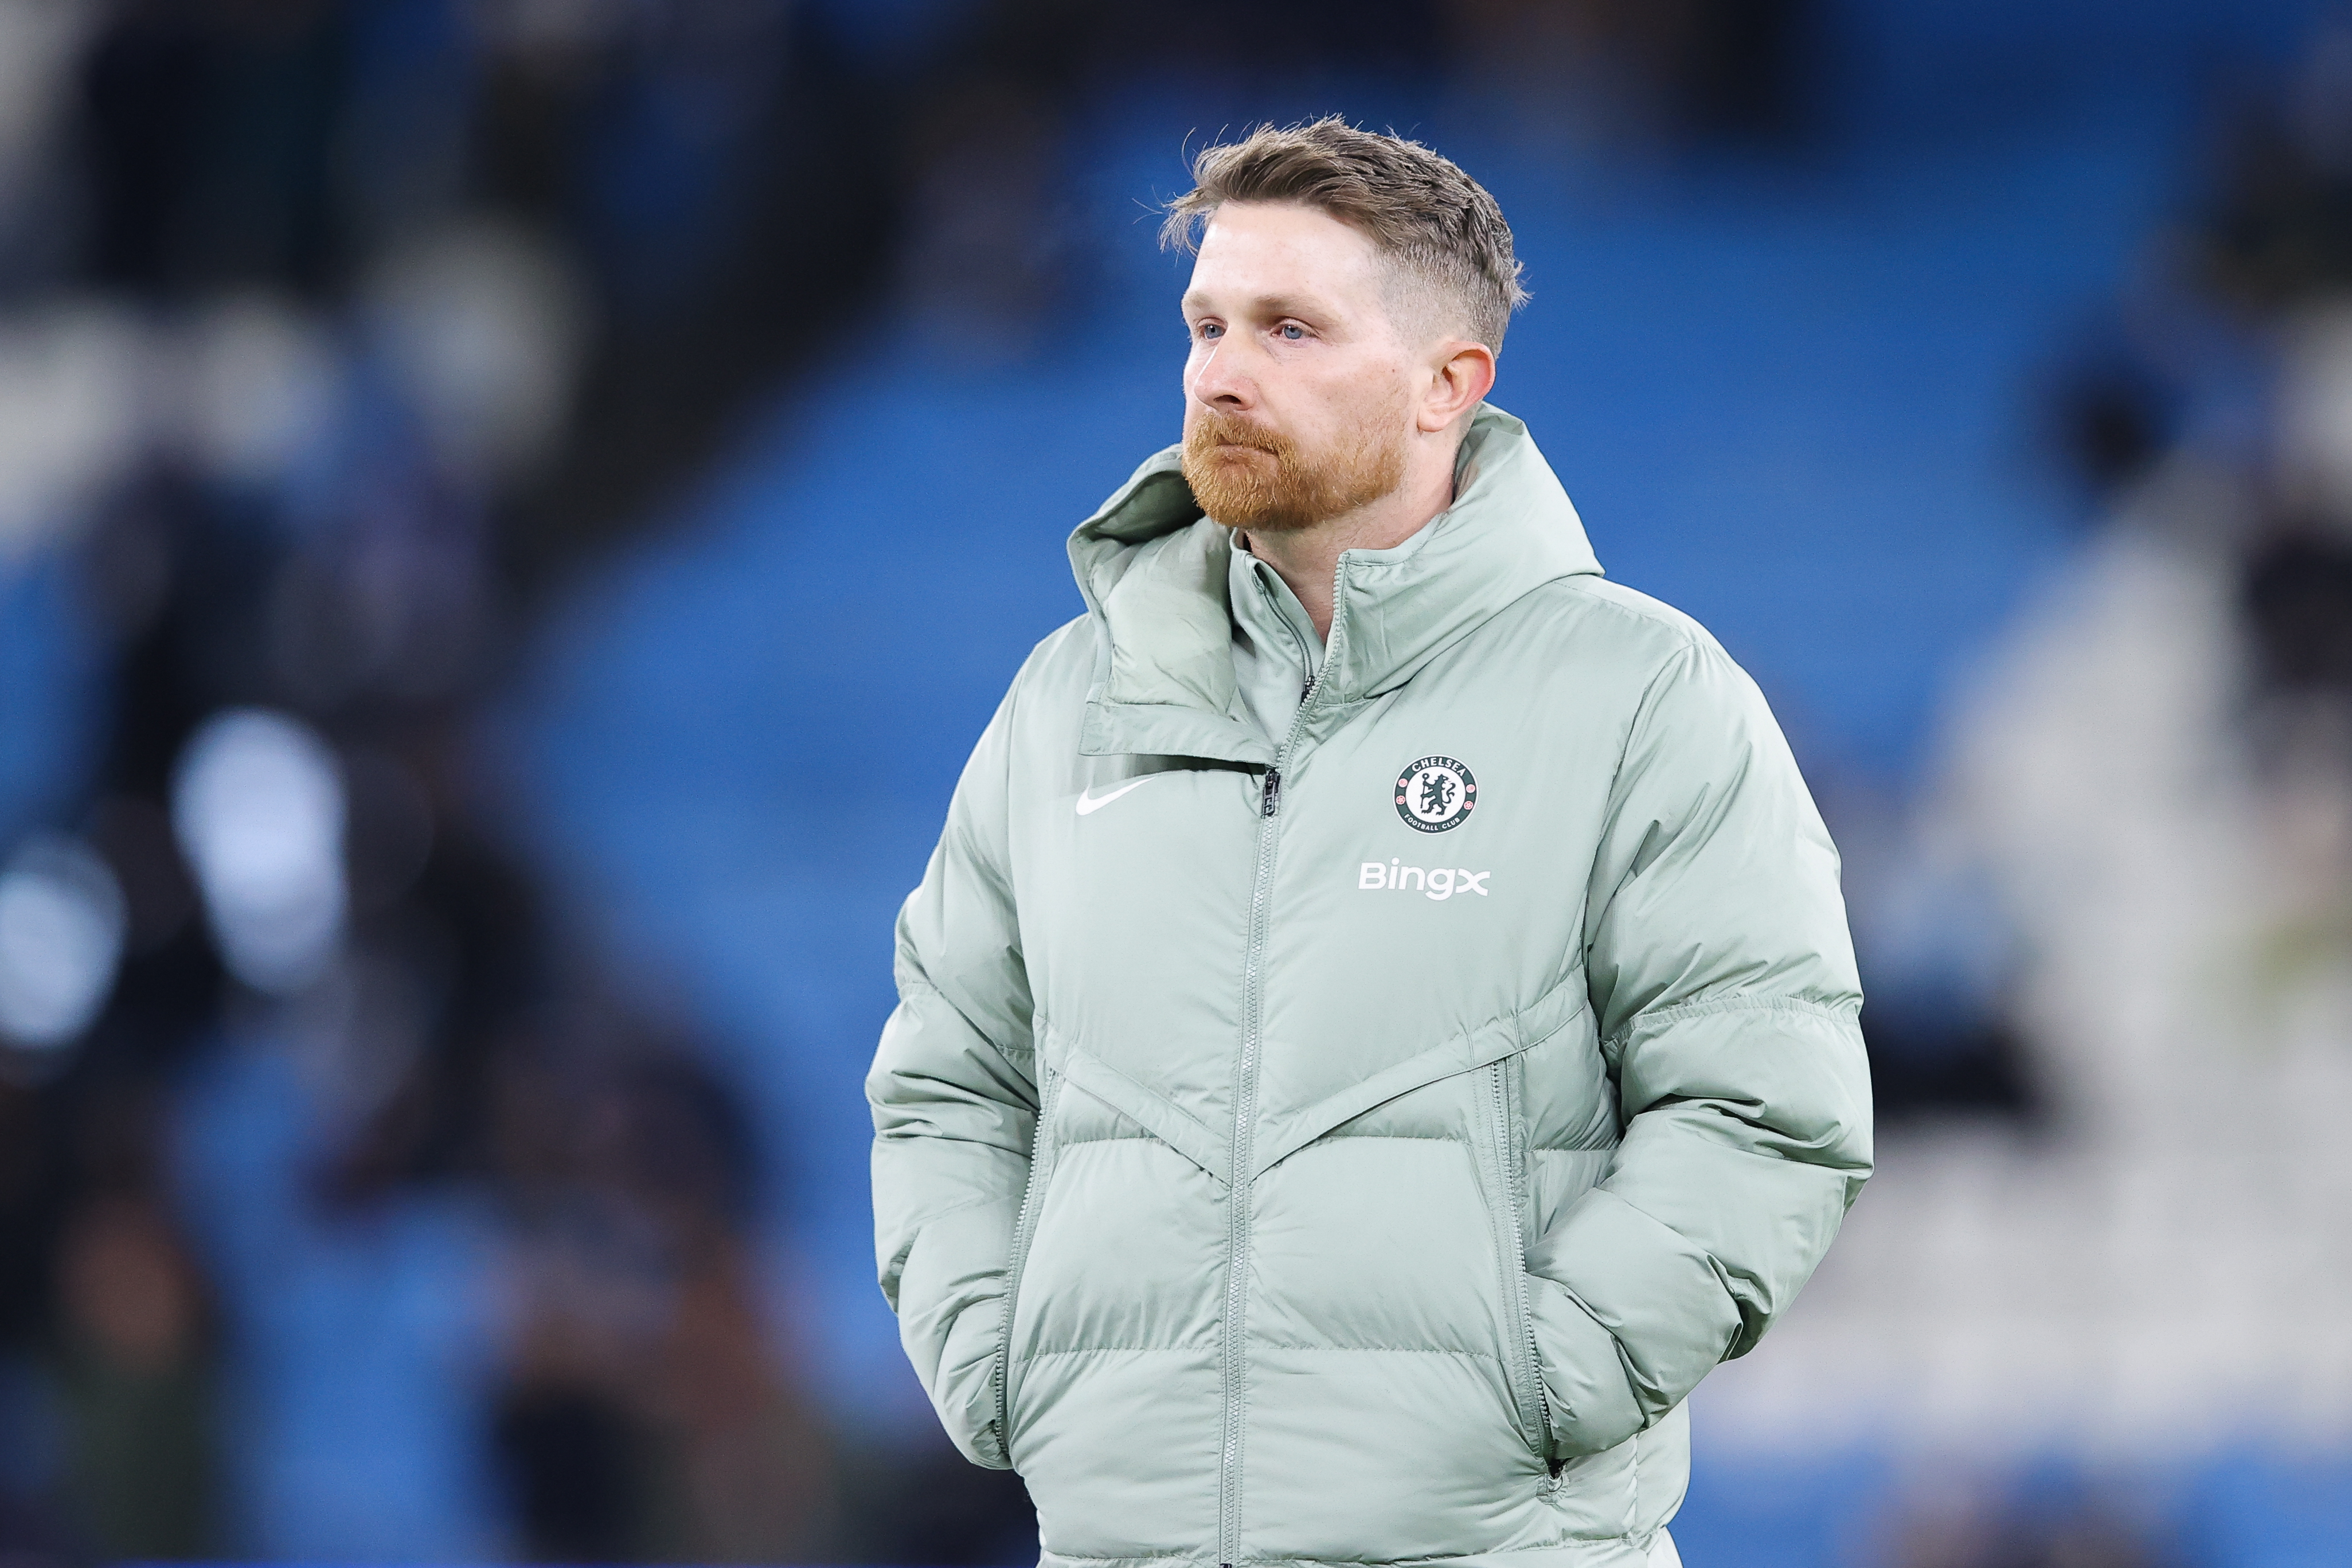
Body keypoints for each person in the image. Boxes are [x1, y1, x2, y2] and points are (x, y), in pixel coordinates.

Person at [868, 118, 1871, 1568]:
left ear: (1445, 385)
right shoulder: (1064, 701)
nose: (1220, 371)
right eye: (1205, 325)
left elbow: (1764, 1109)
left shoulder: (1641, 696)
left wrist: (1536, 1381)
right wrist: (998, 1362)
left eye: (1288, 328)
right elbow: (950, 1079)